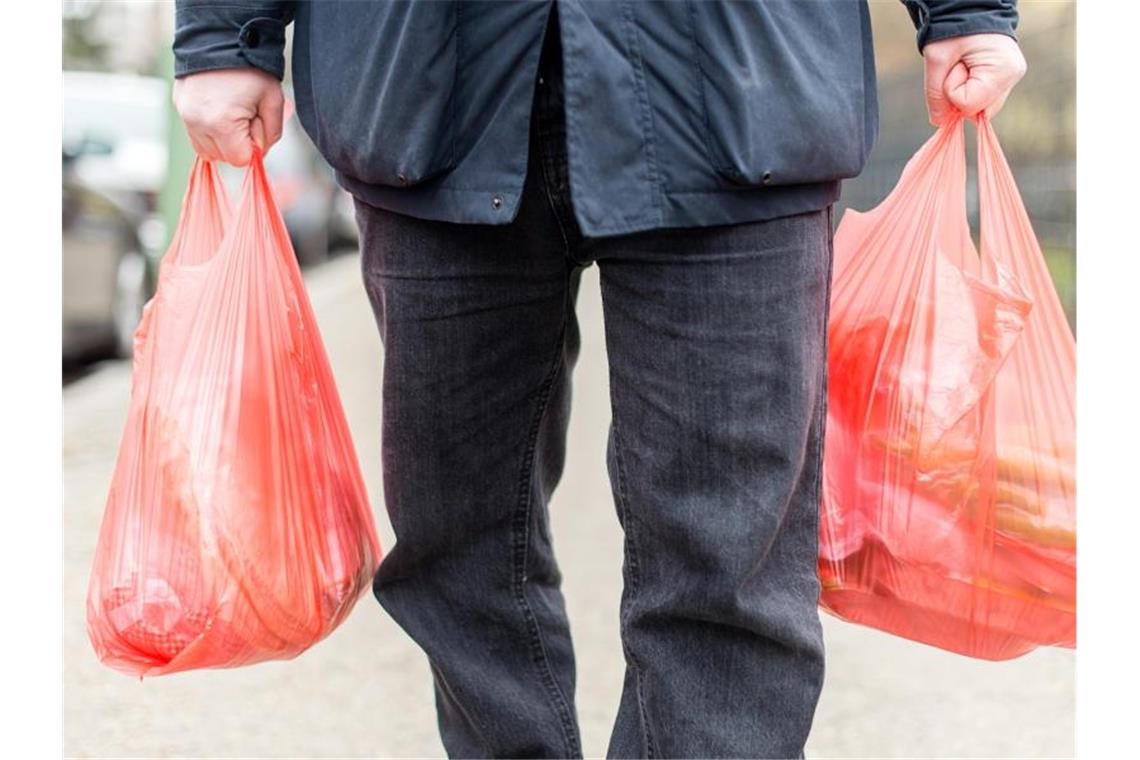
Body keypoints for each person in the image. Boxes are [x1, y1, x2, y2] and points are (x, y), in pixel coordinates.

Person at [172, 1, 1025, 757]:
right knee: (455, 541)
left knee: (728, 558)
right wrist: (223, 30)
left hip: (736, 85)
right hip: (431, 89)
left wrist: (967, 6)